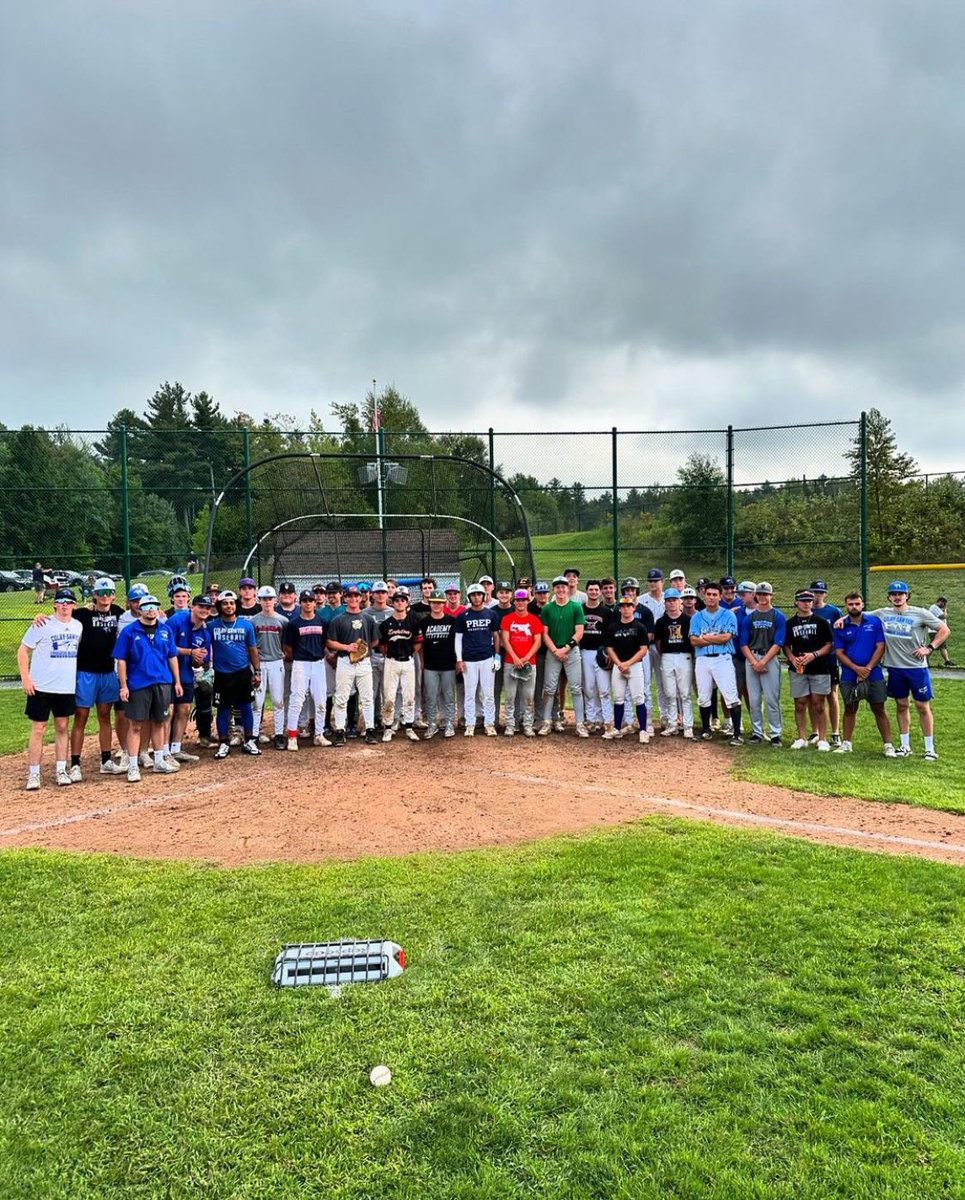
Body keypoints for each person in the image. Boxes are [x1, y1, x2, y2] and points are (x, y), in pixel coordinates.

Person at [872, 580, 949, 761]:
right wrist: (842, 620)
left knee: (922, 706)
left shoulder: (920, 613)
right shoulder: (883, 613)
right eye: (893, 594)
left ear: (907, 595)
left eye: (901, 594)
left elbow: (944, 630)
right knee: (901, 705)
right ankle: (904, 745)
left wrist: (929, 648)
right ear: (889, 597)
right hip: (895, 668)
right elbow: (860, 615)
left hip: (916, 668)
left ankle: (929, 748)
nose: (897, 597)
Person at [113, 594, 182, 782]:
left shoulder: (165, 630)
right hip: (138, 684)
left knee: (159, 721)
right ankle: (133, 765)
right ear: (140, 609)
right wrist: (123, 685)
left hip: (162, 682)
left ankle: (159, 760)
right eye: (147, 606)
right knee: (135, 724)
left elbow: (172, 657)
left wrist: (176, 682)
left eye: (154, 606)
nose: (151, 609)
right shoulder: (129, 631)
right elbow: (121, 660)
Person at [18, 588, 83, 789]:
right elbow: (23, 650)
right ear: (55, 604)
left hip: (65, 686)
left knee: (62, 727)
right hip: (42, 685)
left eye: (69, 601)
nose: (65, 605)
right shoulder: (42, 623)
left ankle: (61, 770)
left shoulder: (77, 626)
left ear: (74, 605)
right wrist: (26, 678)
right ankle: (34, 774)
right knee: (39, 728)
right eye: (61, 601)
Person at [832, 592, 895, 757]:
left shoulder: (874, 622)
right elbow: (839, 652)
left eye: (857, 604)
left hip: (873, 672)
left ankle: (888, 745)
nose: (854, 607)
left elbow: (880, 646)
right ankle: (846, 743)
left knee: (879, 707)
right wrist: (856, 668)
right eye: (850, 604)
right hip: (849, 673)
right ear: (846, 606)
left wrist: (867, 668)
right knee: (850, 708)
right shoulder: (840, 626)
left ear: (863, 604)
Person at [206, 590, 261, 759]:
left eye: (232, 603)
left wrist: (257, 671)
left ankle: (249, 739)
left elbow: (252, 649)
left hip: (242, 672)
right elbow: (206, 648)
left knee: (246, 707)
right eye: (225, 603)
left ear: (236, 605)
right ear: (219, 606)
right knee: (223, 709)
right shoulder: (212, 626)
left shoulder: (246, 625)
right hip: (222, 674)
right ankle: (224, 742)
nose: (229, 606)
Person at [688, 582, 743, 744]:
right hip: (703, 659)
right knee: (704, 696)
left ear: (719, 596)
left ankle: (737, 733)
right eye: (709, 594)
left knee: (731, 695)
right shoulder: (697, 616)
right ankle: (706, 730)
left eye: (714, 594)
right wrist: (714, 638)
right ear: (704, 596)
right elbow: (693, 640)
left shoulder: (728, 615)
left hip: (723, 658)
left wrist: (704, 637)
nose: (711, 597)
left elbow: (726, 637)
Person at [327, 586, 380, 745]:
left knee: (367, 697)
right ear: (345, 598)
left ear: (360, 598)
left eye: (356, 596)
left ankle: (370, 730)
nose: (353, 599)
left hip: (364, 662)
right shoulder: (338, 619)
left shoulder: (368, 619)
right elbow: (330, 642)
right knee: (342, 697)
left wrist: (364, 649)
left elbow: (375, 640)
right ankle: (340, 730)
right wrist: (347, 647)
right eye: (350, 596)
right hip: (344, 661)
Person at [784, 590, 834, 752]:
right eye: (803, 600)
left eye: (809, 600)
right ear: (796, 602)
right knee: (800, 704)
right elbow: (785, 645)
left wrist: (814, 655)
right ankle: (801, 737)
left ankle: (823, 738)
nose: (806, 603)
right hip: (798, 668)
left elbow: (829, 644)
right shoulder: (790, 623)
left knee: (819, 704)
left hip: (819, 667)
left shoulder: (821, 621)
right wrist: (792, 658)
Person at [537, 576, 588, 737]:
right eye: (557, 587)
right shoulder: (547, 609)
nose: (561, 590)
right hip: (553, 652)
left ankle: (580, 724)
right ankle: (546, 722)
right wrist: (555, 651)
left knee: (575, 688)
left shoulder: (576, 607)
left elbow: (579, 631)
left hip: (571, 651)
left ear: (568, 589)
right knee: (550, 689)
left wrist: (565, 649)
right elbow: (544, 633)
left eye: (563, 587)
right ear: (554, 590)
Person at [166, 593, 213, 763]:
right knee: (168, 711)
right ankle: (164, 750)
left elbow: (198, 662)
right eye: (201, 606)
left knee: (184, 709)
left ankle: (176, 748)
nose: (204, 610)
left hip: (185, 673)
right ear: (192, 607)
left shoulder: (205, 633)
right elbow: (166, 646)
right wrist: (190, 652)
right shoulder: (177, 621)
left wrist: (198, 661)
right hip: (166, 672)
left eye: (207, 608)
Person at [739, 582, 785, 746]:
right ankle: (757, 732)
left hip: (769, 658)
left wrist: (763, 662)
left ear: (771, 596)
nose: (763, 597)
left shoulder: (777, 616)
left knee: (772, 699)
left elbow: (778, 642)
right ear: (755, 595)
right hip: (752, 657)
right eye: (760, 594)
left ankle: (775, 734)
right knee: (754, 699)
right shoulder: (749, 618)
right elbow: (743, 643)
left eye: (766, 594)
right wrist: (754, 662)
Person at [283, 590, 330, 750]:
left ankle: (319, 734)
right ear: (300, 603)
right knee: (296, 700)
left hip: (318, 663)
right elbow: (288, 648)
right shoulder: (294, 624)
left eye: (311, 600)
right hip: (300, 664)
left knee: (321, 700)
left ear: (315, 603)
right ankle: (292, 737)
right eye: (305, 600)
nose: (308, 603)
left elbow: (324, 643)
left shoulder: (322, 622)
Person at [602, 595, 651, 742]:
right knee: (618, 698)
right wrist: (618, 663)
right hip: (618, 666)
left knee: (638, 698)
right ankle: (617, 728)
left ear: (633, 608)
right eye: (623, 606)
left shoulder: (639, 627)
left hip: (634, 666)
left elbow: (643, 649)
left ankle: (643, 730)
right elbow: (609, 648)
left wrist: (627, 663)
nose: (626, 609)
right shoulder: (613, 627)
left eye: (629, 606)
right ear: (620, 609)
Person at [455, 584, 501, 736]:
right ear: (469, 597)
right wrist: (460, 659)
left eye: (479, 594)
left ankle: (489, 723)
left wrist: (497, 656)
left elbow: (495, 636)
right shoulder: (463, 616)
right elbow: (458, 639)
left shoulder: (491, 614)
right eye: (473, 595)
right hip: (469, 660)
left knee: (488, 693)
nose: (476, 597)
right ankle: (470, 723)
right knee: (470, 693)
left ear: (483, 596)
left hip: (487, 658)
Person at [380, 590, 423, 741]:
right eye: (397, 600)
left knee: (409, 696)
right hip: (391, 661)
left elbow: (418, 643)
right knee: (389, 696)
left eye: (402, 600)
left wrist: (409, 652)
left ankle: (409, 727)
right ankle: (388, 727)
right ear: (392, 603)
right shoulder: (386, 624)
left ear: (407, 603)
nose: (399, 603)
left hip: (408, 661)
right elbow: (382, 646)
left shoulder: (413, 622)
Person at [500, 588, 543, 736]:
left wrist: (524, 659)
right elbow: (505, 640)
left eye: (523, 600)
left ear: (527, 601)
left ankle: (527, 725)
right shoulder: (507, 619)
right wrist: (515, 658)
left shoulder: (534, 620)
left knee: (528, 696)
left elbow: (537, 642)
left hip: (529, 663)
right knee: (510, 696)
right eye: (518, 600)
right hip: (510, 662)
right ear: (514, 601)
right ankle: (510, 724)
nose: (520, 603)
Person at [249, 586, 288, 750]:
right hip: (259, 664)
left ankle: (279, 734)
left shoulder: (282, 620)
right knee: (258, 702)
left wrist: (283, 654)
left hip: (276, 662)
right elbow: (250, 645)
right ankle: (254, 735)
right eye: (264, 599)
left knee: (278, 700)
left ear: (275, 600)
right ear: (259, 600)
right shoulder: (253, 621)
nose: (267, 602)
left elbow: (285, 643)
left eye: (270, 598)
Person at [654, 587, 694, 739]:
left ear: (680, 602)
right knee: (670, 692)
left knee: (684, 693)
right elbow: (658, 642)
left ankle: (688, 725)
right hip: (667, 656)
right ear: (665, 603)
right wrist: (665, 654)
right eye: (669, 601)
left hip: (684, 656)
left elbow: (691, 640)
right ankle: (672, 724)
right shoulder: (661, 622)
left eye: (674, 600)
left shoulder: (687, 620)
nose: (671, 604)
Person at [419, 592, 458, 738]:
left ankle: (448, 723)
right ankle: (432, 724)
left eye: (439, 602)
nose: (436, 605)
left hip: (448, 664)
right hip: (430, 665)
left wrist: (457, 661)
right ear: (430, 604)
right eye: (434, 602)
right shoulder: (424, 623)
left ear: (444, 604)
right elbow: (421, 645)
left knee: (448, 695)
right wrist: (422, 662)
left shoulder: (451, 621)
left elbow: (457, 644)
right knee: (431, 696)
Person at [810, 580, 843, 746]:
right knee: (812, 696)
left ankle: (835, 731)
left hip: (828, 658)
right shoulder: (806, 609)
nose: (817, 596)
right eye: (815, 592)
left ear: (825, 594)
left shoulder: (833, 611)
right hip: (811, 657)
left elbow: (840, 629)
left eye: (820, 592)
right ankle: (815, 731)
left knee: (831, 694)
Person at [580, 579, 612, 733]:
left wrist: (607, 652)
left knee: (604, 689)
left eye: (596, 590)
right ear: (586, 591)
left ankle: (605, 720)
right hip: (585, 651)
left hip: (601, 653)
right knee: (588, 688)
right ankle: (591, 719)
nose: (593, 592)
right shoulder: (580, 610)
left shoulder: (606, 612)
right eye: (591, 589)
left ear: (600, 592)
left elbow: (610, 634)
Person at [928, 597, 953, 665]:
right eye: (943, 602)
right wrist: (945, 610)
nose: (944, 604)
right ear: (939, 601)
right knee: (934, 646)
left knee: (940, 646)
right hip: (935, 630)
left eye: (944, 603)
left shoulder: (937, 608)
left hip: (937, 630)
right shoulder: (934, 607)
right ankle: (947, 661)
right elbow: (943, 616)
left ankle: (947, 661)